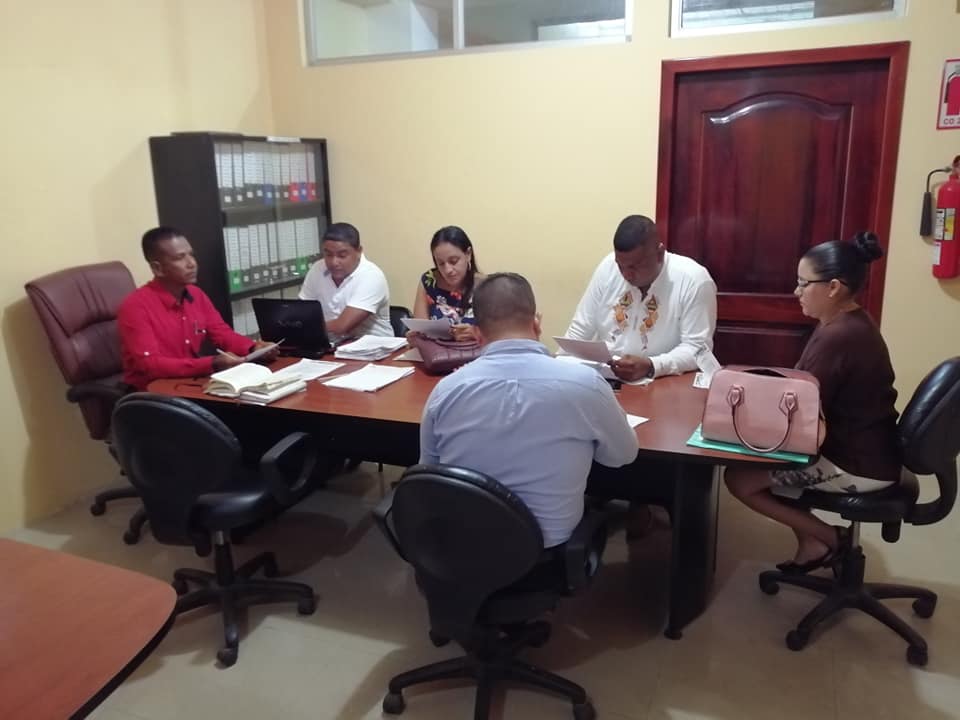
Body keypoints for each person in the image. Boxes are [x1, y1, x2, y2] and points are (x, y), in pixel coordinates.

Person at [724, 232, 901, 574]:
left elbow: (801, 410)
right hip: (868, 451)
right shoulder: (847, 322)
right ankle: (812, 543)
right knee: (769, 464)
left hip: (857, 464)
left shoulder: (840, 336)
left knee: (740, 479)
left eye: (803, 283)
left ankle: (831, 538)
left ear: (833, 287)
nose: (796, 291)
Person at [420, 272, 639, 548]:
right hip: (549, 550)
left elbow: (429, 470)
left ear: (476, 334)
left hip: (465, 546)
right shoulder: (587, 385)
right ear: (537, 323)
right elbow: (623, 456)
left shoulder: (445, 391)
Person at [118, 227, 278, 390]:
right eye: (180, 258)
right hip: (151, 393)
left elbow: (222, 333)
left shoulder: (196, 295)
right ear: (157, 268)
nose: (192, 263)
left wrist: (252, 348)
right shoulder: (136, 306)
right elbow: (150, 365)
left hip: (188, 384)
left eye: (191, 255)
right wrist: (212, 363)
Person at [565, 215, 717, 382]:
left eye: (635, 267)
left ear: (659, 254)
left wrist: (652, 365)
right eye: (620, 265)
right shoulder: (608, 267)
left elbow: (697, 349)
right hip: (605, 380)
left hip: (662, 382)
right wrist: (558, 366)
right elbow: (580, 329)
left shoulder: (693, 280)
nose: (626, 274)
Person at [298, 222, 392, 341]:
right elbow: (302, 311)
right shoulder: (318, 268)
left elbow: (342, 326)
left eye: (342, 256)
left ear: (359, 251)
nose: (334, 262)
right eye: (328, 255)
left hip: (373, 347)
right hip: (329, 344)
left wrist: (303, 326)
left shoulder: (372, 276)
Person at [412, 226, 483, 342]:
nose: (447, 270)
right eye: (441, 263)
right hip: (437, 351)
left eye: (453, 261)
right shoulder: (429, 281)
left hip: (475, 351)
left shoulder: (486, 286)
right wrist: (415, 337)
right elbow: (420, 330)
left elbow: (500, 335)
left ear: (468, 254)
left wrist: (476, 333)